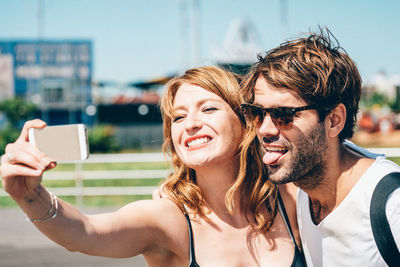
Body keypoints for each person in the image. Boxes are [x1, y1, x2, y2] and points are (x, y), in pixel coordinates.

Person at [0, 66, 305, 266]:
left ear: (246, 123)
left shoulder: (292, 198)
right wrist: (29, 196)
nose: (192, 124)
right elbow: (86, 232)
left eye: (208, 109)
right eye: (179, 117)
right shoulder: (167, 217)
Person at [240, 28, 400, 266]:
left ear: (334, 120)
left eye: (282, 115)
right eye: (256, 113)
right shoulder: (302, 187)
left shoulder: (391, 204)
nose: (264, 129)